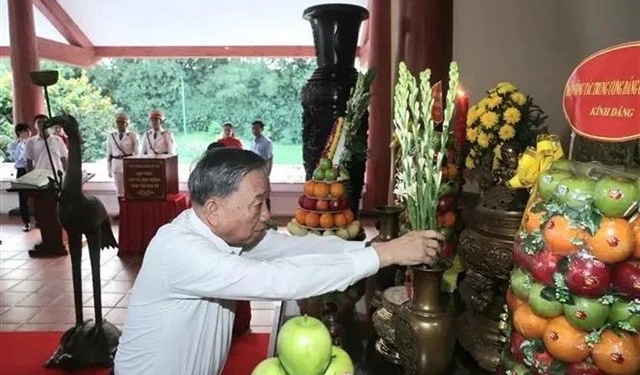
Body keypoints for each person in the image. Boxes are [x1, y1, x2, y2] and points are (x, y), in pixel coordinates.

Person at [114, 148, 442, 375]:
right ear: (214, 210)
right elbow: (279, 280)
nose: (268, 215)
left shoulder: (225, 235)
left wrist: (375, 249)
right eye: (258, 204)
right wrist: (386, 254)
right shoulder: (180, 250)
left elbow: (297, 249)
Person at [107, 112, 139, 198]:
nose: (119, 125)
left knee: (129, 190)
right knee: (119, 192)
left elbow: (136, 154)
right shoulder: (112, 136)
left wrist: (136, 168)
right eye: (118, 123)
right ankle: (121, 209)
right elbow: (109, 154)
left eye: (122, 123)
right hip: (116, 164)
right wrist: (109, 169)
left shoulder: (132, 135)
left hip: (128, 165)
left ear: (126, 124)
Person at [8, 123, 32, 231]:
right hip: (22, 171)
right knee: (23, 197)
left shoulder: (34, 142)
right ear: (18, 133)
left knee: (40, 195)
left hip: (34, 170)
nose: (25, 134)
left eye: (27, 131)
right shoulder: (14, 145)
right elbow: (17, 157)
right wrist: (22, 145)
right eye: (22, 132)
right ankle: (26, 222)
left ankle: (41, 220)